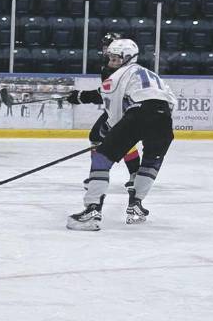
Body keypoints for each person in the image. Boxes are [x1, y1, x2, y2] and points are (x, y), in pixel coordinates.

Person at [65, 39, 176, 231]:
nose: (111, 62)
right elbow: (171, 102)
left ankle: (92, 210)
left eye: (115, 59)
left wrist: (108, 132)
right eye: (110, 58)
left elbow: (114, 111)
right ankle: (136, 206)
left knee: (101, 159)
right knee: (151, 162)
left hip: (139, 114)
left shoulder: (119, 75)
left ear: (127, 59)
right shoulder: (153, 76)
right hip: (164, 119)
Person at [71, 33, 142, 195]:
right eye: (105, 48)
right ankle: (99, 175)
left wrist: (82, 96)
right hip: (119, 106)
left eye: (108, 48)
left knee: (119, 137)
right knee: (97, 135)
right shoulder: (108, 66)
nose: (106, 52)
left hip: (131, 108)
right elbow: (107, 93)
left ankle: (132, 173)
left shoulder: (125, 68)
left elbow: (107, 92)